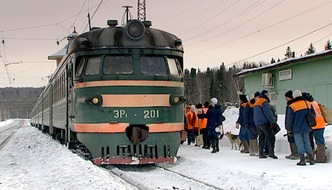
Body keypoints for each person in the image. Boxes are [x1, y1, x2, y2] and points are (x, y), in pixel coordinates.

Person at [286, 90, 315, 166]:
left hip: (297, 128)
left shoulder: (292, 106)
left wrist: (288, 128)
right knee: (307, 142)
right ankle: (311, 159)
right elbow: (313, 114)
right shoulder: (308, 103)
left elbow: (289, 119)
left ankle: (302, 160)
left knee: (299, 143)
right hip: (306, 127)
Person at [302, 92, 327, 163]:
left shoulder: (309, 104)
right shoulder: (314, 102)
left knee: (318, 141)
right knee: (318, 140)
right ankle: (318, 156)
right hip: (320, 123)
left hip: (315, 124)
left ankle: (319, 158)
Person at [253, 90, 278, 159]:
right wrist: (272, 121)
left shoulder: (257, 102)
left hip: (257, 123)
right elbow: (268, 113)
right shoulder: (264, 102)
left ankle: (261, 153)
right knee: (271, 137)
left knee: (261, 138)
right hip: (264, 123)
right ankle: (271, 153)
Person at [284, 90, 299, 160]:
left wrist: (289, 125)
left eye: (286, 97)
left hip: (292, 125)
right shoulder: (289, 105)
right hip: (290, 125)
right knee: (290, 139)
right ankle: (293, 152)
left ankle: (295, 153)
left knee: (293, 139)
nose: (285, 99)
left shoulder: (292, 105)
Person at [248, 92, 260, 156]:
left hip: (256, 122)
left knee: (253, 135)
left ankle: (252, 150)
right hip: (251, 122)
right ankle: (255, 150)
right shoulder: (249, 104)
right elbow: (246, 114)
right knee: (253, 135)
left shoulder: (257, 104)